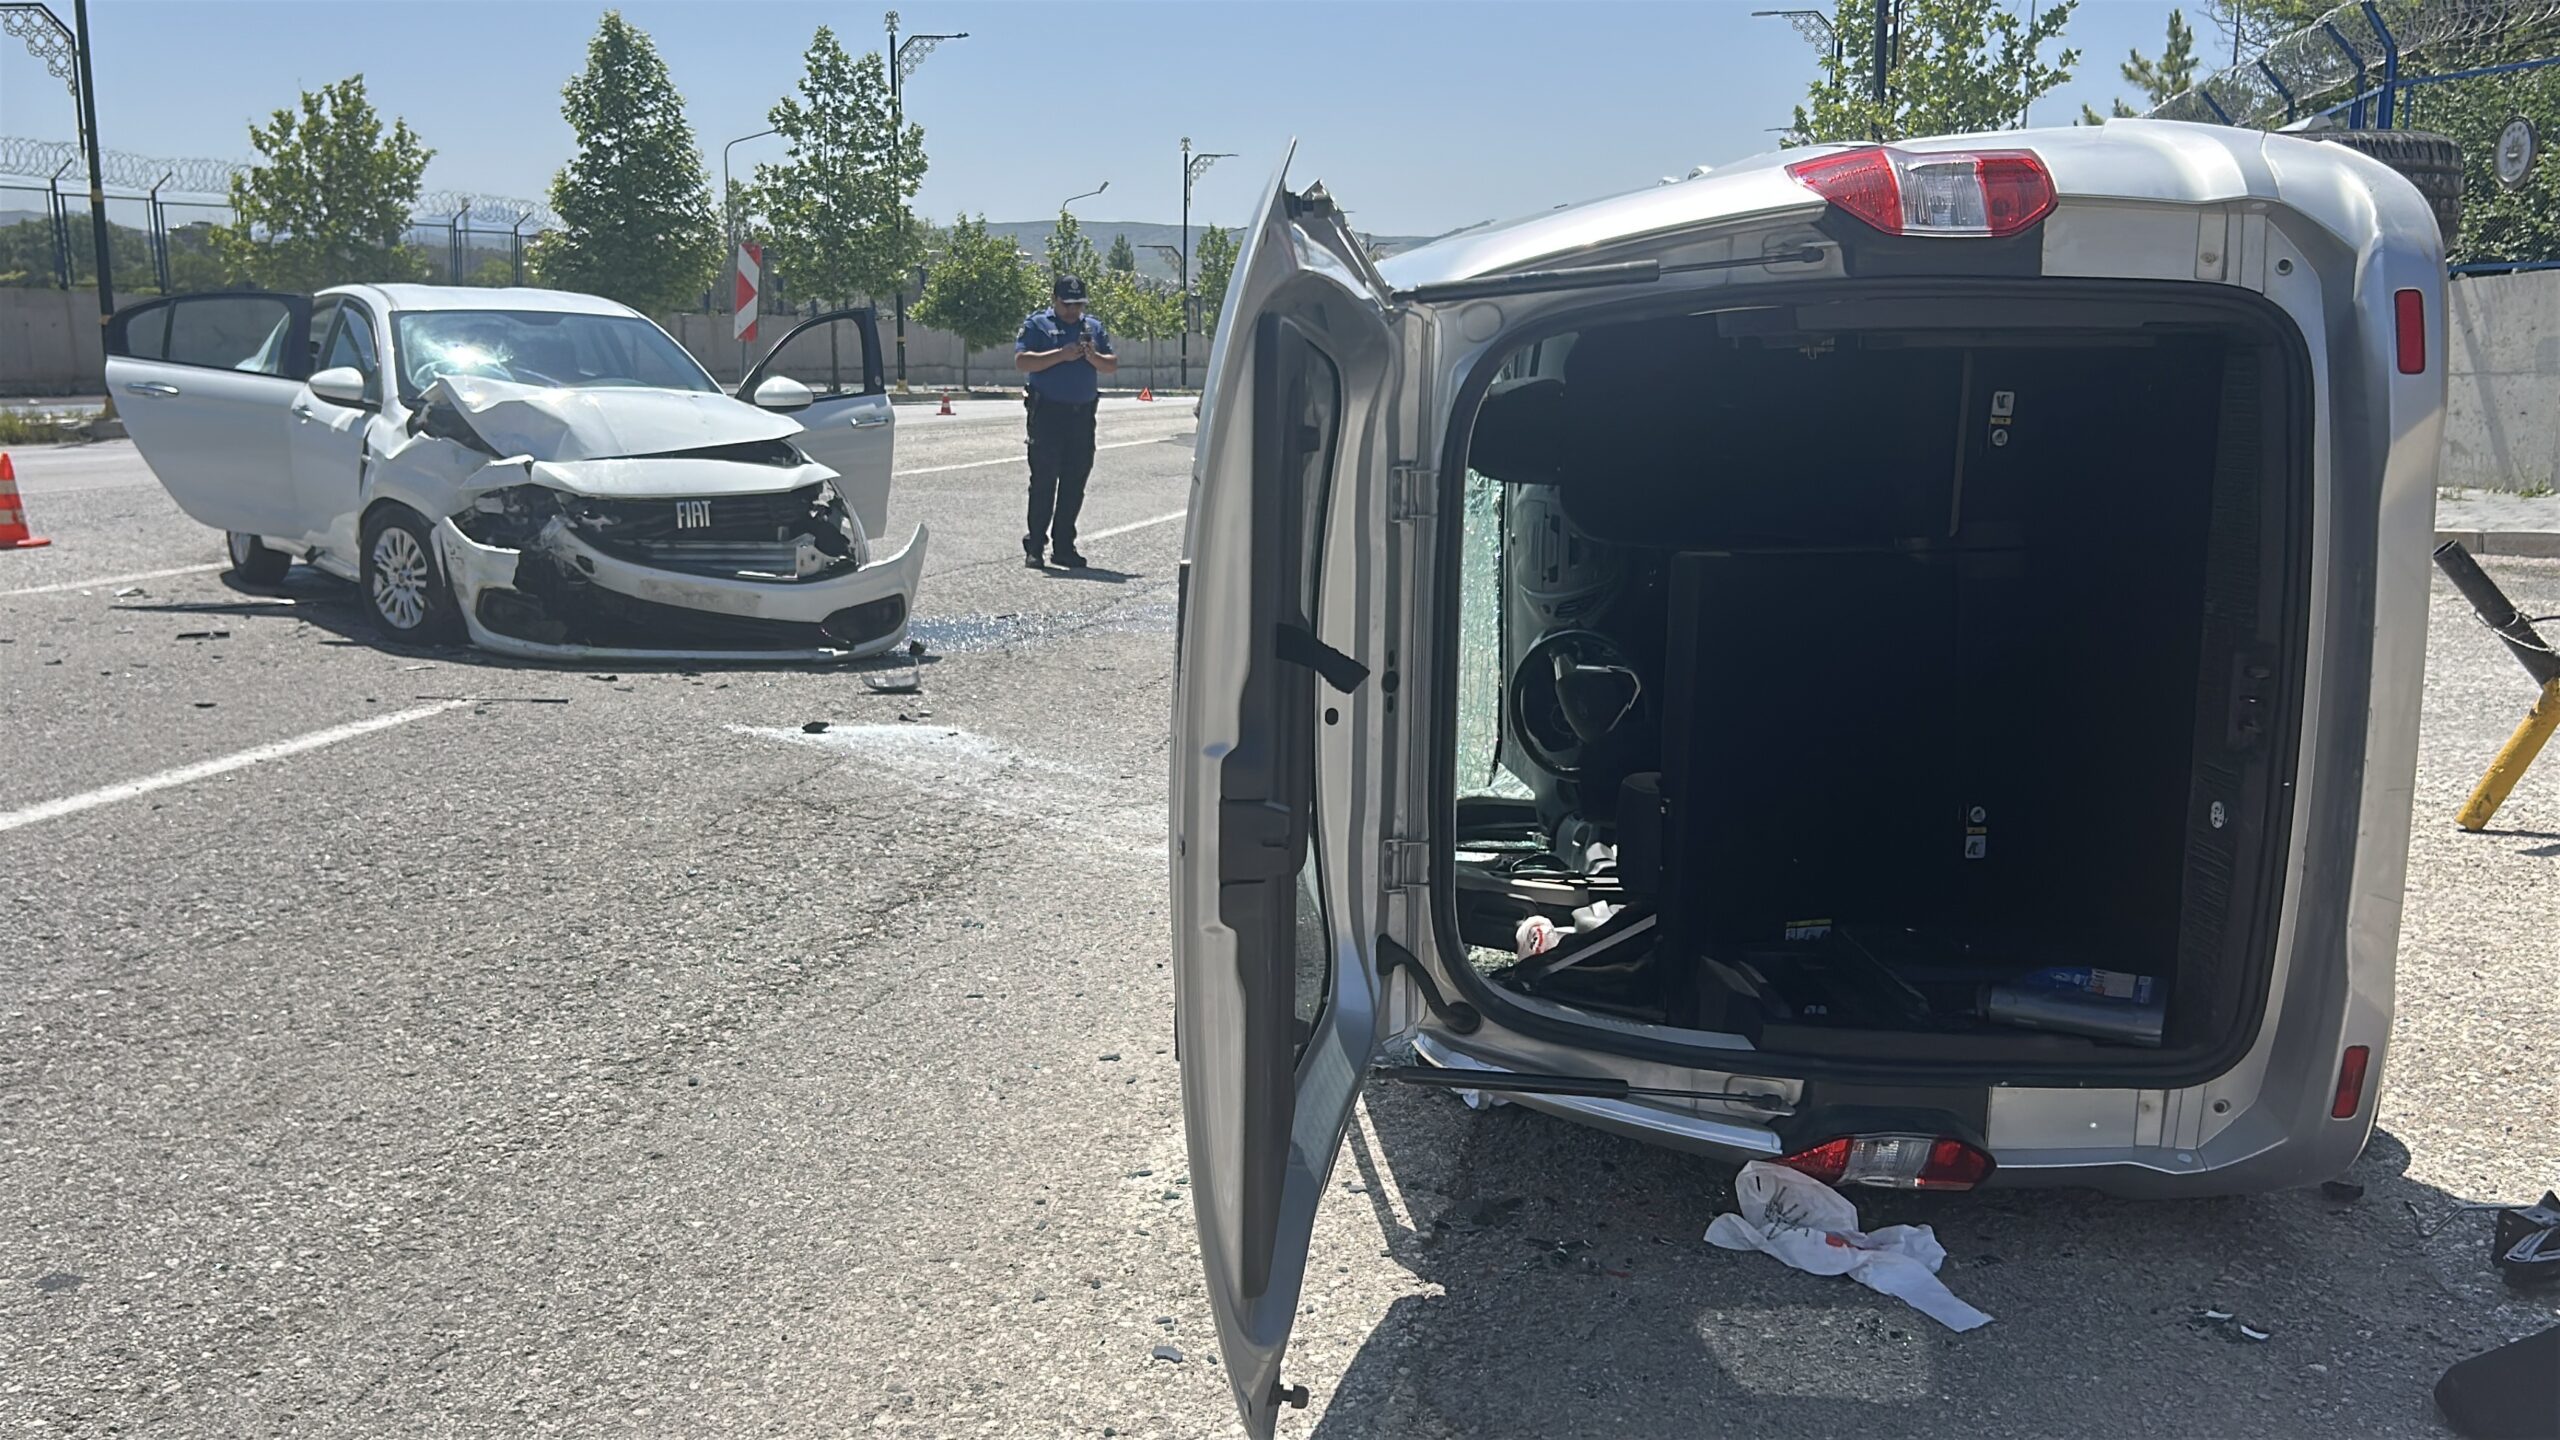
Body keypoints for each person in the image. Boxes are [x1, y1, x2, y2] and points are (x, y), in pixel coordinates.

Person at [1014, 275, 1117, 568]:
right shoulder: (1038, 325)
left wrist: (1092, 357)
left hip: (1081, 415)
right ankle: (1035, 545)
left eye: (1078, 304)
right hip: (1047, 415)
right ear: (1054, 300)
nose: (1073, 310)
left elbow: (1111, 365)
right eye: (1067, 304)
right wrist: (1061, 355)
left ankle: (1064, 546)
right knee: (1043, 481)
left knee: (1074, 482)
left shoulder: (1092, 327)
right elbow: (1022, 362)